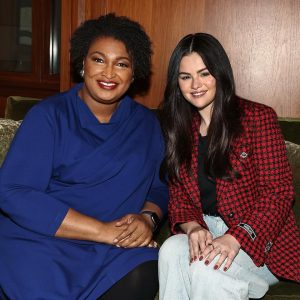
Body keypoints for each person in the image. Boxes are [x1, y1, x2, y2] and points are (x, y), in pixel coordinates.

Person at [0, 14, 168, 300]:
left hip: (114, 251)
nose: (109, 73)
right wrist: (101, 231)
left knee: (147, 268)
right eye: (99, 59)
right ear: (82, 63)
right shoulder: (49, 116)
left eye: (122, 64)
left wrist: (147, 219)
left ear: (134, 71)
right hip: (42, 242)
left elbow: (159, 187)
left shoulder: (147, 124)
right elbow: (13, 192)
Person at [158, 32, 300, 300]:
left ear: (220, 74)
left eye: (204, 73)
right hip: (207, 231)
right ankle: (238, 283)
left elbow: (279, 193)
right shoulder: (179, 128)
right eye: (185, 77)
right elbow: (178, 196)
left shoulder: (257, 118)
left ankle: (246, 280)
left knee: (205, 267)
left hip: (260, 241)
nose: (195, 84)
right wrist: (192, 227)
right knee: (170, 250)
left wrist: (236, 237)